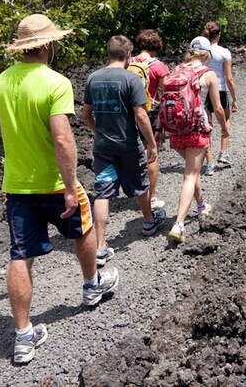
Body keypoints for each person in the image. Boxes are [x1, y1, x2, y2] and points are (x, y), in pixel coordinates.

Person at [0, 14, 118, 365]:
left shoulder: (1, 82)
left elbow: (3, 132)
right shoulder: (55, 82)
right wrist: (68, 186)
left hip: (17, 185)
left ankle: (22, 337)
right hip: (53, 183)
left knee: (20, 255)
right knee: (84, 228)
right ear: (48, 44)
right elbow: (63, 140)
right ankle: (92, 287)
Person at [82, 35, 167, 267]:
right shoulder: (131, 79)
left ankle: (100, 247)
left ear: (109, 53)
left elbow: (85, 114)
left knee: (103, 193)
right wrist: (150, 143)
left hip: (103, 147)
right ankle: (149, 222)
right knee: (140, 184)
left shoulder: (93, 78)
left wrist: (98, 130)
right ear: (128, 55)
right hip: (128, 144)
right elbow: (140, 115)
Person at [158, 36, 228, 243]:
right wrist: (224, 128)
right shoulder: (209, 75)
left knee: (192, 169)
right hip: (196, 129)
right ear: (207, 55)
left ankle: (201, 205)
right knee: (190, 174)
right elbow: (217, 108)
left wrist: (160, 129)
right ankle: (179, 224)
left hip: (175, 129)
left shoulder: (176, 71)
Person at [131, 29, 170, 211]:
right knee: (152, 154)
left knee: (135, 153)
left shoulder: (129, 62)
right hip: (150, 113)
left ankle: (137, 191)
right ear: (156, 45)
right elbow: (168, 93)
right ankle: (151, 198)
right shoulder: (159, 66)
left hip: (130, 113)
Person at [201, 21, 237, 176]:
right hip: (220, 90)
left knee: (206, 126)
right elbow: (229, 78)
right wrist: (235, 98)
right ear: (219, 35)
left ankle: (209, 164)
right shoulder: (224, 52)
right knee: (226, 118)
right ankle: (223, 152)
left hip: (203, 90)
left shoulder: (201, 51)